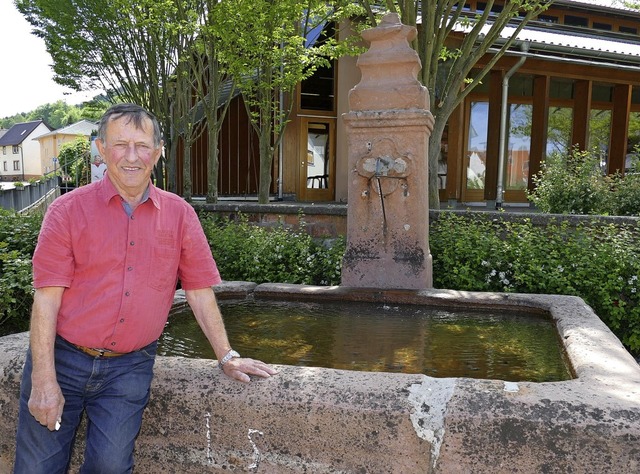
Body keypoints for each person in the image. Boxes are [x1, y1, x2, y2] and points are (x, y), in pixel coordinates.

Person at [14, 103, 277, 473]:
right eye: (120, 145)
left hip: (129, 369)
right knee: (37, 468)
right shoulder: (67, 211)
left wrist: (226, 355)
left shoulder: (180, 214)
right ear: (102, 149)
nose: (132, 156)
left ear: (158, 151)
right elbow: (46, 298)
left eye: (142, 145)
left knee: (111, 467)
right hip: (63, 358)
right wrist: (43, 379)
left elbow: (200, 292)